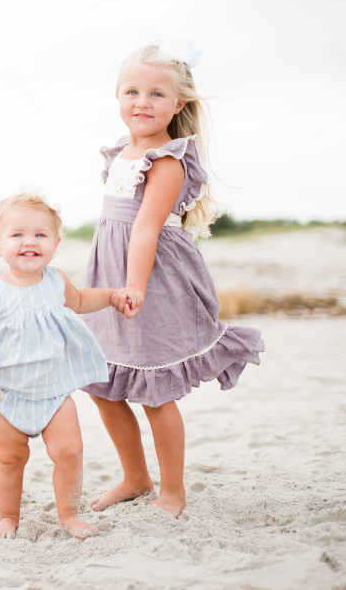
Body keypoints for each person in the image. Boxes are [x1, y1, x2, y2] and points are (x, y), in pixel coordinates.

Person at [80, 41, 265, 518]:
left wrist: (135, 286)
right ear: (117, 96)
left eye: (156, 94)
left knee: (154, 390)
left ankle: (173, 490)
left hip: (153, 279)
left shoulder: (166, 161)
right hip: (113, 273)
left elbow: (144, 229)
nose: (142, 102)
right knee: (102, 382)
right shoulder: (121, 152)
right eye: (132, 91)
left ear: (177, 105)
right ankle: (134, 476)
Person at [0, 191, 143, 540]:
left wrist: (111, 296)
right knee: (9, 459)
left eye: (40, 235)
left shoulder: (56, 280)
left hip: (54, 392)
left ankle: (68, 515)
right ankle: (8, 517)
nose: (29, 242)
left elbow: (78, 300)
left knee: (70, 452)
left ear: (56, 243)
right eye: (17, 235)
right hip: (7, 395)